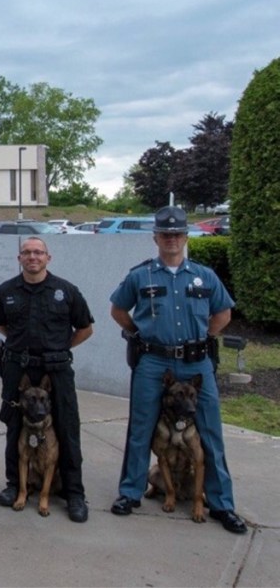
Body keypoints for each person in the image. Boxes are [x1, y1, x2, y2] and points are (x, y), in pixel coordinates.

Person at [109, 205, 247, 534]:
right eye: (165, 234)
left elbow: (223, 313)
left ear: (186, 237)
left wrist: (204, 339)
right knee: (141, 428)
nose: (171, 239)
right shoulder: (141, 275)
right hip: (153, 360)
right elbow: (118, 309)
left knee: (211, 431)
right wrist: (139, 335)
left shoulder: (204, 275)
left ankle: (221, 503)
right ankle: (130, 492)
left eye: (177, 234)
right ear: (156, 237)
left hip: (196, 361)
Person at [0, 236, 94, 522]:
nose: (32, 257)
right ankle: (14, 485)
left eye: (38, 252)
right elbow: (0, 324)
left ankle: (74, 493)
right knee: (14, 426)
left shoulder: (66, 291)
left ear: (48, 258)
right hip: (19, 370)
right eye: (27, 252)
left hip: (56, 371)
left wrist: (60, 349)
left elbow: (85, 328)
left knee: (67, 428)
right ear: (19, 258)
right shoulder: (6, 291)